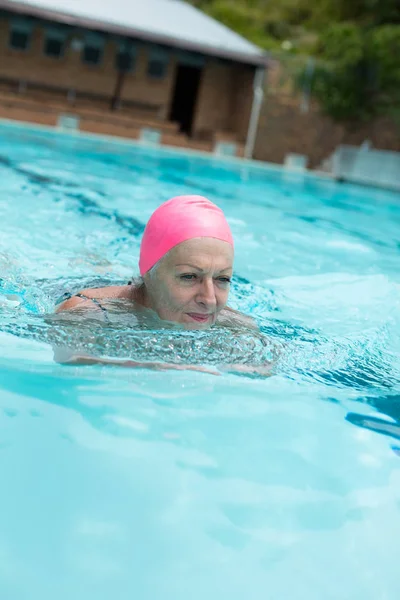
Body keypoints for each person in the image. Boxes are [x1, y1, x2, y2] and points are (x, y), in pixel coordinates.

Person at [55, 195, 271, 375]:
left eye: (222, 279)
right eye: (189, 277)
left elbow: (266, 369)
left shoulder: (238, 327)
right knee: (95, 266)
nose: (210, 299)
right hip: (81, 284)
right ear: (149, 273)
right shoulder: (89, 312)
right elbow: (69, 360)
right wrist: (150, 366)